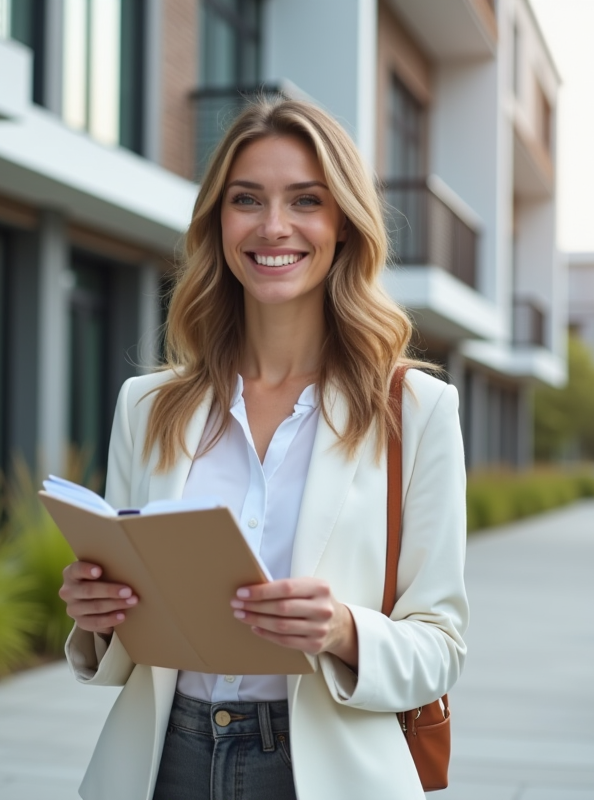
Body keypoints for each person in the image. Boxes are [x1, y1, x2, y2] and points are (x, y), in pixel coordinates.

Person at [59, 98, 468, 800]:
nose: (273, 226)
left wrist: (341, 629)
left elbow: (441, 645)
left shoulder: (416, 410)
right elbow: (130, 638)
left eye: (305, 200)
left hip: (323, 770)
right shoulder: (148, 406)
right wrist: (97, 617)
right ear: (218, 223)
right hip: (164, 763)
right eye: (246, 199)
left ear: (342, 224)